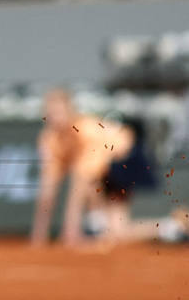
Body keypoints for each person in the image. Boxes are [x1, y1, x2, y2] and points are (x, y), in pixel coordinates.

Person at [31, 88, 140, 248]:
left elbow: (81, 181)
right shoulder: (49, 139)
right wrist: (38, 237)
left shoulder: (86, 132)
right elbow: (48, 190)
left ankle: (83, 231)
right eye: (50, 112)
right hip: (104, 169)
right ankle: (170, 228)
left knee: (86, 184)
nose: (55, 117)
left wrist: (69, 232)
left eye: (59, 112)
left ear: (70, 111)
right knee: (119, 232)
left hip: (125, 158)